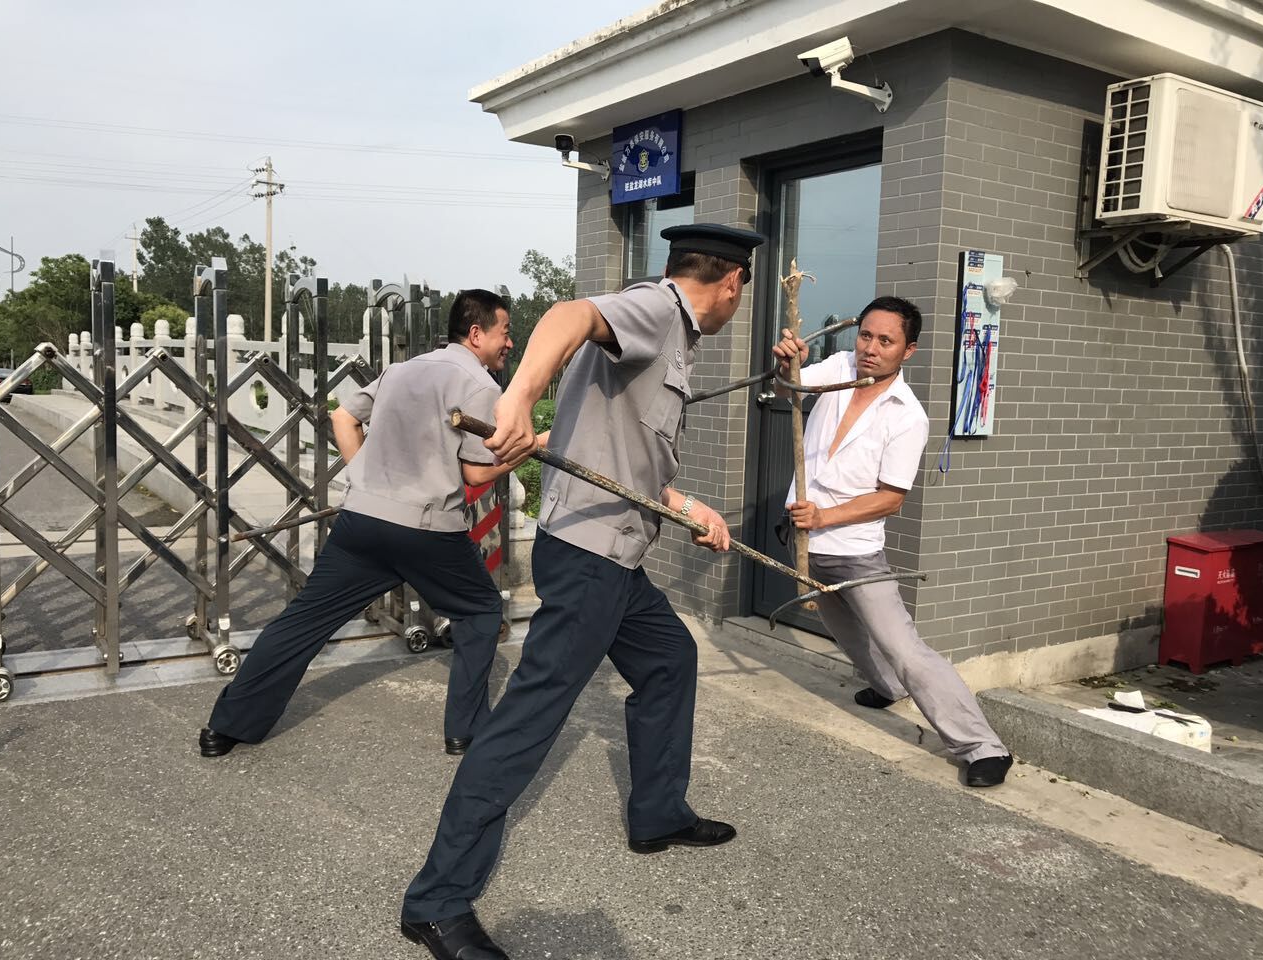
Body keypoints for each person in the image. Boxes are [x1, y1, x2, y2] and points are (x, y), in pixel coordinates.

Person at [398, 224, 763, 960]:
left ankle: (658, 813)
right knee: (527, 720)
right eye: (740, 292)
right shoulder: (657, 309)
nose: (736, 303)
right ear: (730, 282)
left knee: (669, 660)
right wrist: (518, 399)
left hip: (617, 554)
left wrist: (689, 507)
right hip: (589, 558)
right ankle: (436, 902)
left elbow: (626, 456)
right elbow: (568, 315)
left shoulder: (669, 335)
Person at [198, 289, 519, 760]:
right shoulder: (480, 385)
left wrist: (368, 482)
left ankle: (226, 727)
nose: (509, 342)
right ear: (476, 333)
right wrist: (527, 449)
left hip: (363, 521)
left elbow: (343, 417)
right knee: (482, 611)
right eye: (505, 332)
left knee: (305, 620)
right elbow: (475, 473)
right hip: (428, 530)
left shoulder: (401, 371)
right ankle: (465, 732)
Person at [772, 295, 1013, 788]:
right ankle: (884, 687)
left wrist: (824, 515)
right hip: (804, 541)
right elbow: (788, 388)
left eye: (886, 340)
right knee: (845, 632)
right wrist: (785, 364)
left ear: (908, 351)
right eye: (866, 335)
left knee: (903, 648)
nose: (871, 348)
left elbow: (890, 498)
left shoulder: (907, 416)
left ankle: (982, 747)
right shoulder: (839, 368)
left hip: (855, 551)